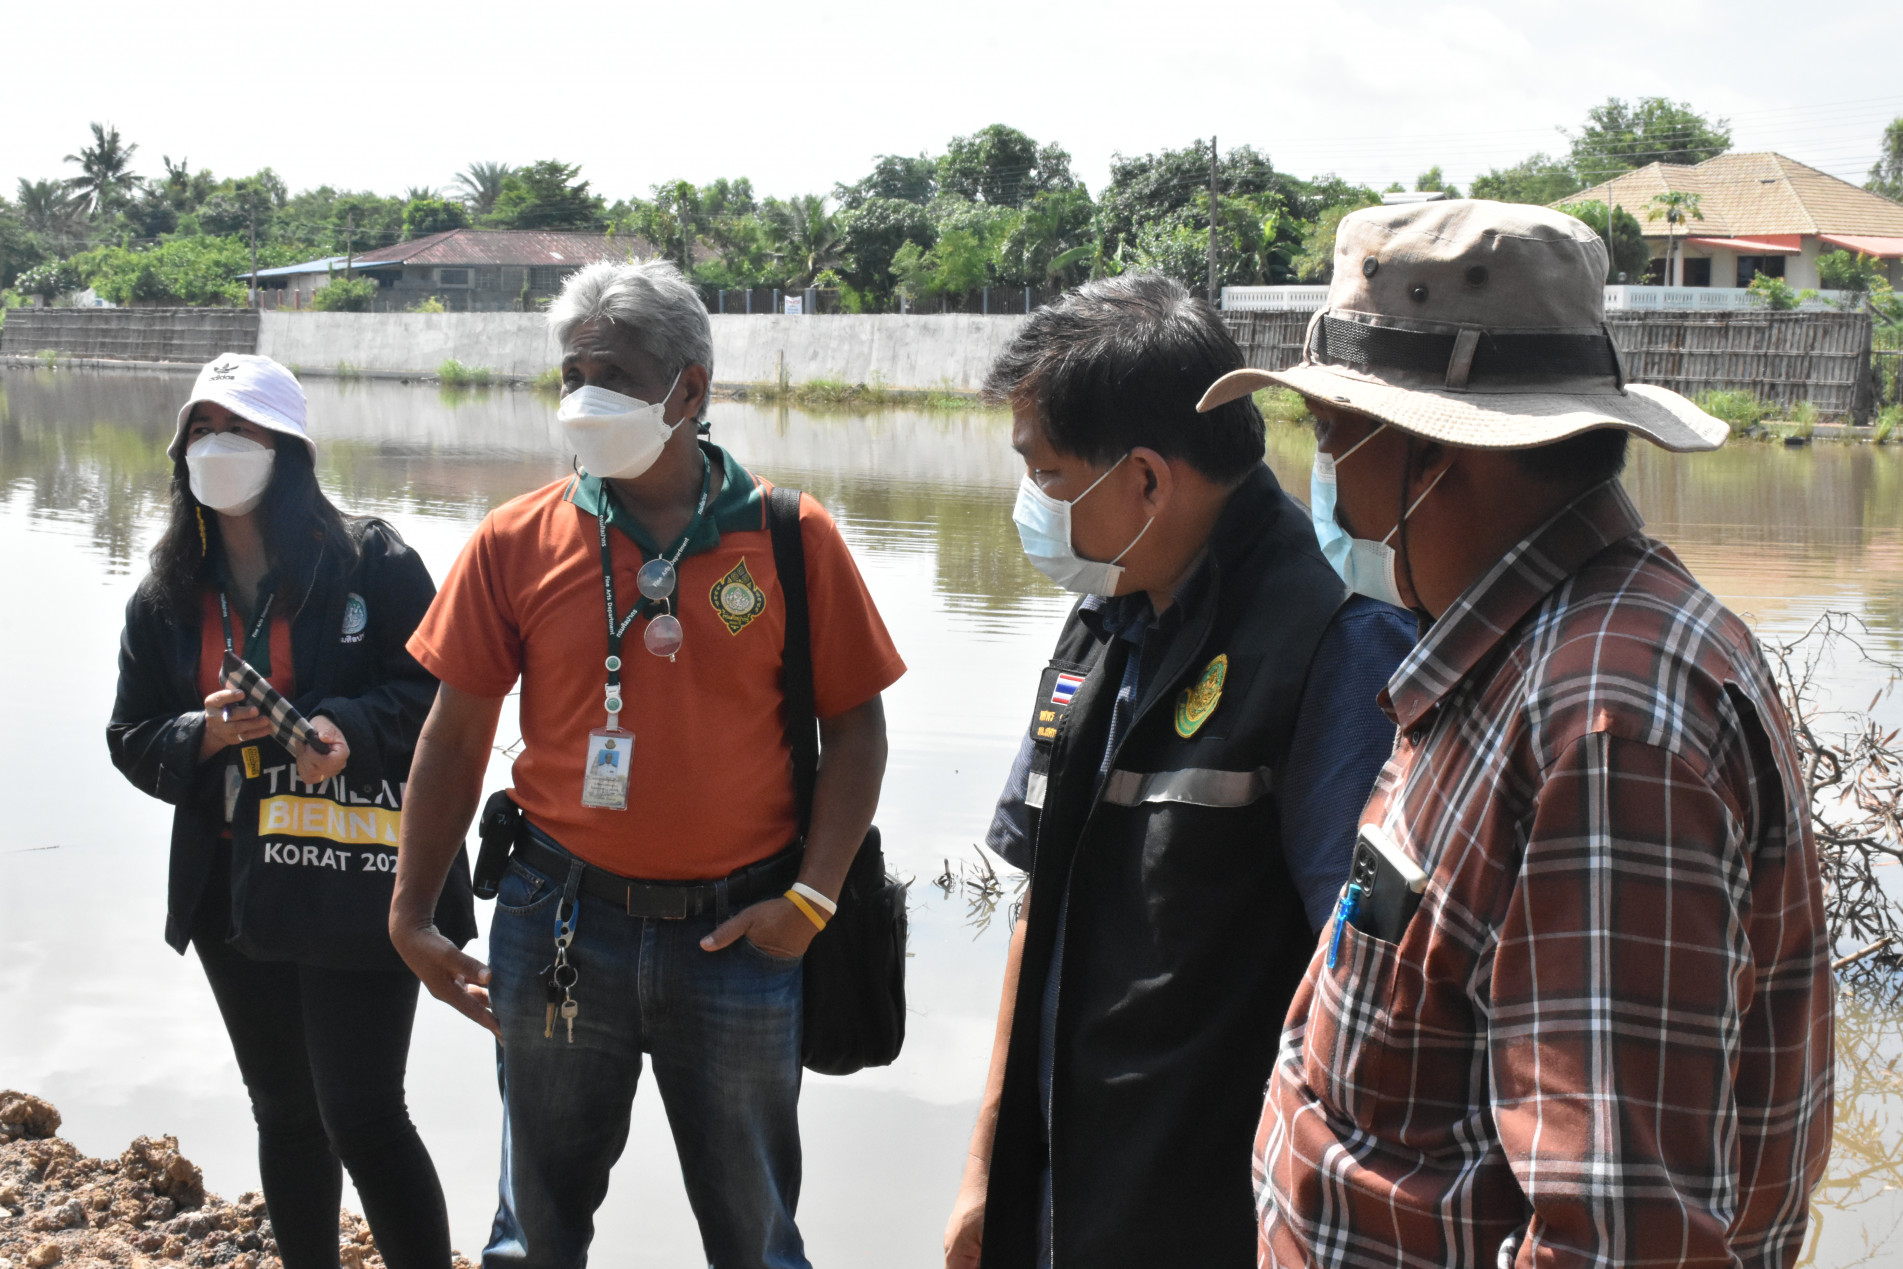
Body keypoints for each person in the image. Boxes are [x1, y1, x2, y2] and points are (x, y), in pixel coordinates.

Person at [1246, 201, 1832, 1266]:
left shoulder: (1605, 725)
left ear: (1435, 454)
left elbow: (1615, 1235)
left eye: (1334, 442)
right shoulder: (1512, 655)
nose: (1327, 488)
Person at [387, 259, 905, 1269]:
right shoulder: (513, 541)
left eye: (615, 374)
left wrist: (811, 901)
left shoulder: (791, 539)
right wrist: (413, 913)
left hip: (743, 938)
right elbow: (453, 737)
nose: (586, 398)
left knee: (756, 1238)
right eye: (572, 372)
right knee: (532, 1232)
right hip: (560, 923)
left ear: (691, 389)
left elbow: (858, 733)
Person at [943, 274, 1416, 1269]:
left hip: (1212, 1220)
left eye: (1050, 473)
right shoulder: (1101, 620)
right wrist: (985, 1169)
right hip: (1066, 1200)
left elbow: (1372, 998)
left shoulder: (1333, 654)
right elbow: (1039, 902)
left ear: (1148, 482)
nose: (1033, 505)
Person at [107, 353, 469, 1269]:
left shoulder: (372, 561)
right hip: (235, 888)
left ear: (290, 450)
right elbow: (130, 733)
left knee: (363, 1112)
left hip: (356, 876)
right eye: (201, 428)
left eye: (242, 429)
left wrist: (345, 725)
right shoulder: (164, 595)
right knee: (284, 1110)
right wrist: (203, 734)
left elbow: (439, 697)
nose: (217, 446)